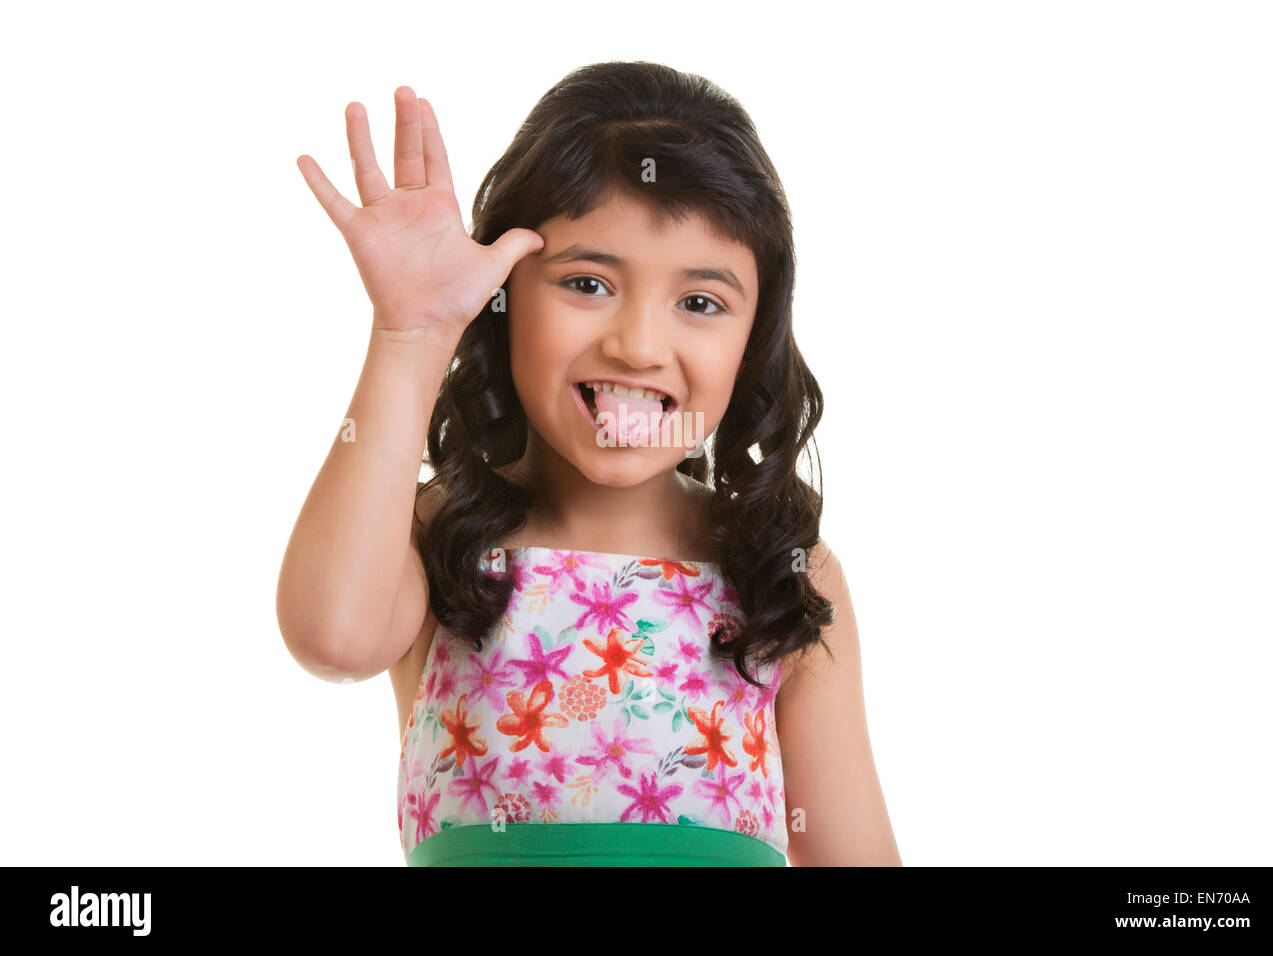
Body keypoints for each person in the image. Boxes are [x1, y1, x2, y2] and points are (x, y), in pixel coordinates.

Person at [278, 62, 901, 867]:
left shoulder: (780, 575)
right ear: (500, 297)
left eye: (701, 302)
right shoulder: (438, 538)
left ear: (755, 344)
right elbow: (331, 638)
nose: (638, 345)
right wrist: (413, 335)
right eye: (587, 283)